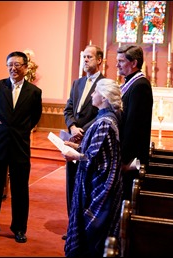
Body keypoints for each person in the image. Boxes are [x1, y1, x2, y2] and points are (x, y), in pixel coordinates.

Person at [0, 51, 42, 243]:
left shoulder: (34, 92)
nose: (13, 68)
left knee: (20, 190)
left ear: (25, 67)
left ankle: (19, 229)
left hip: (20, 146)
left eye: (17, 65)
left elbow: (35, 117)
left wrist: (20, 131)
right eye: (10, 65)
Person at [62, 78, 123, 257]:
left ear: (103, 98)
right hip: (97, 184)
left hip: (99, 188)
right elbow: (96, 151)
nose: (92, 94)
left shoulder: (105, 121)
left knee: (91, 241)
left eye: (95, 92)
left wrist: (76, 155)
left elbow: (97, 160)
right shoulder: (105, 118)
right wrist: (77, 148)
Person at [62, 44, 104, 240]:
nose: (85, 60)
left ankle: (84, 228)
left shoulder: (105, 84)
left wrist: (83, 131)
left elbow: (102, 113)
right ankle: (72, 226)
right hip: (72, 139)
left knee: (85, 184)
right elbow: (68, 109)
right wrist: (72, 127)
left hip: (90, 141)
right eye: (84, 57)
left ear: (99, 60)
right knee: (71, 183)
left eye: (89, 57)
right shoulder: (77, 83)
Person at [116, 44, 153, 200]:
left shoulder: (140, 86)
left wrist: (123, 159)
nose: (117, 65)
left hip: (131, 159)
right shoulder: (131, 83)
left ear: (134, 63)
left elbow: (133, 125)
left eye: (121, 61)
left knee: (127, 200)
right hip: (127, 155)